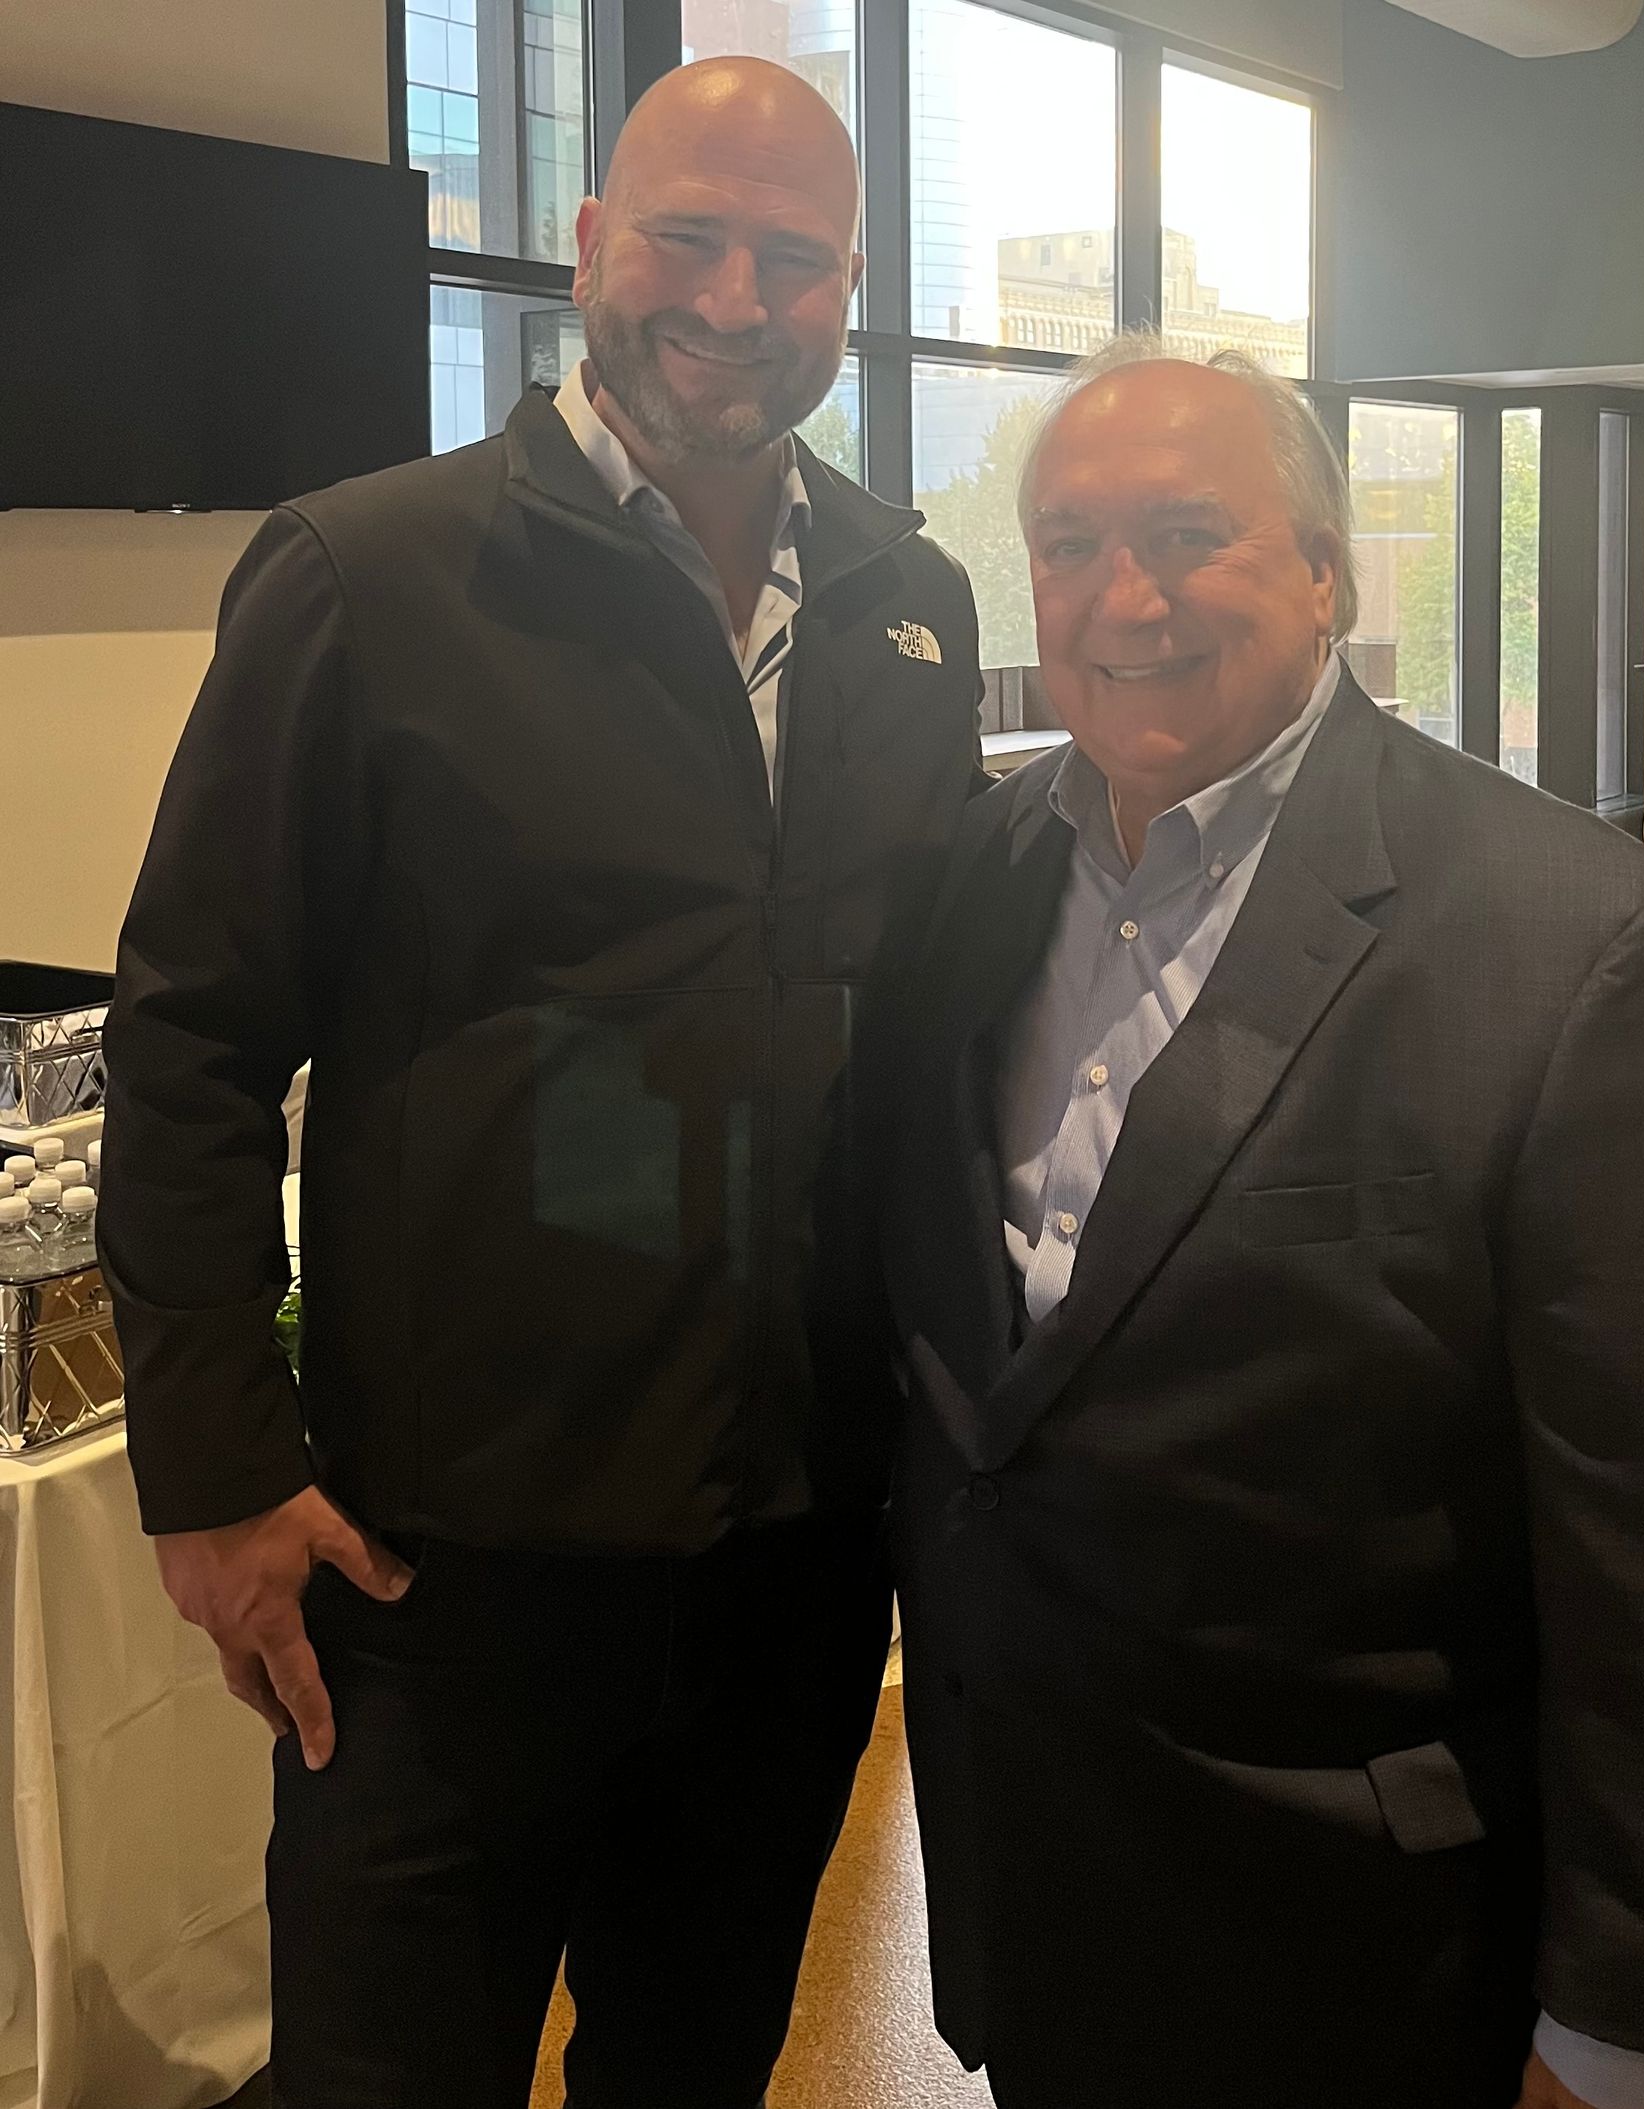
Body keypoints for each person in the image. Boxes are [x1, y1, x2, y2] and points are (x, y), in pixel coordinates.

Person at [99, 57, 981, 2109]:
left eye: (795, 257)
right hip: (443, 1566)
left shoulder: (902, 608)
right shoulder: (366, 578)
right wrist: (218, 1468)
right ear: (591, 250)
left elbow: (934, 1033)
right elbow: (194, 1030)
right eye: (690, 235)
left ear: (848, 292)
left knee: (693, 2065)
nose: (737, 297)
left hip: (788, 1556)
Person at [878, 339, 1644, 2109]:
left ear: (1326, 568)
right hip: (1044, 1907)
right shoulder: (975, 876)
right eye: (1072, 541)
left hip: (1382, 1967)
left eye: (1190, 533)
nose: (1127, 596)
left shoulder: (1588, 955)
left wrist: (1640, 2039)